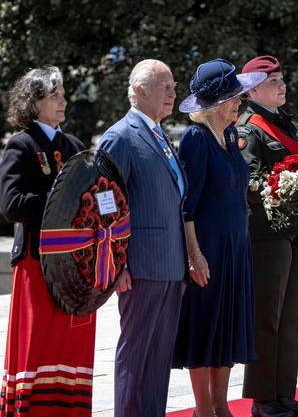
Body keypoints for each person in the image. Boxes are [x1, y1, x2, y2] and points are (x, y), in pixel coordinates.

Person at [172, 59, 266, 417]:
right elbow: (187, 205)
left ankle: (220, 404)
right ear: (213, 103)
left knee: (227, 323)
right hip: (208, 247)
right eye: (232, 96)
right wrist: (194, 255)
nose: (239, 101)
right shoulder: (196, 139)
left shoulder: (229, 134)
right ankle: (203, 409)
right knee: (203, 323)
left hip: (235, 246)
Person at [96, 59, 188, 416]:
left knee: (159, 356)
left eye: (173, 85)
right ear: (139, 91)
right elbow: (105, 204)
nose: (173, 92)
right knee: (136, 353)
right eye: (164, 85)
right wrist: (116, 264)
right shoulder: (121, 136)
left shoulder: (159, 133)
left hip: (170, 262)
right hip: (141, 264)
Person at [0, 66, 89, 415]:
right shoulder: (21, 145)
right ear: (35, 102)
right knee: (37, 347)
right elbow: (10, 205)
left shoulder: (75, 147)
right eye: (55, 95)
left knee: (70, 349)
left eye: (63, 93)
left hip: (76, 267)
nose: (63, 100)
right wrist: (58, 199)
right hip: (37, 264)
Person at [236, 56, 298, 417]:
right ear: (252, 89)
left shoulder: (290, 123)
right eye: (273, 82)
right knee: (267, 317)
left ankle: (284, 393)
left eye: (282, 80)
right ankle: (263, 398)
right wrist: (295, 183)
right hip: (268, 234)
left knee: (293, 316)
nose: (282, 86)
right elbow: (248, 182)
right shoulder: (248, 129)